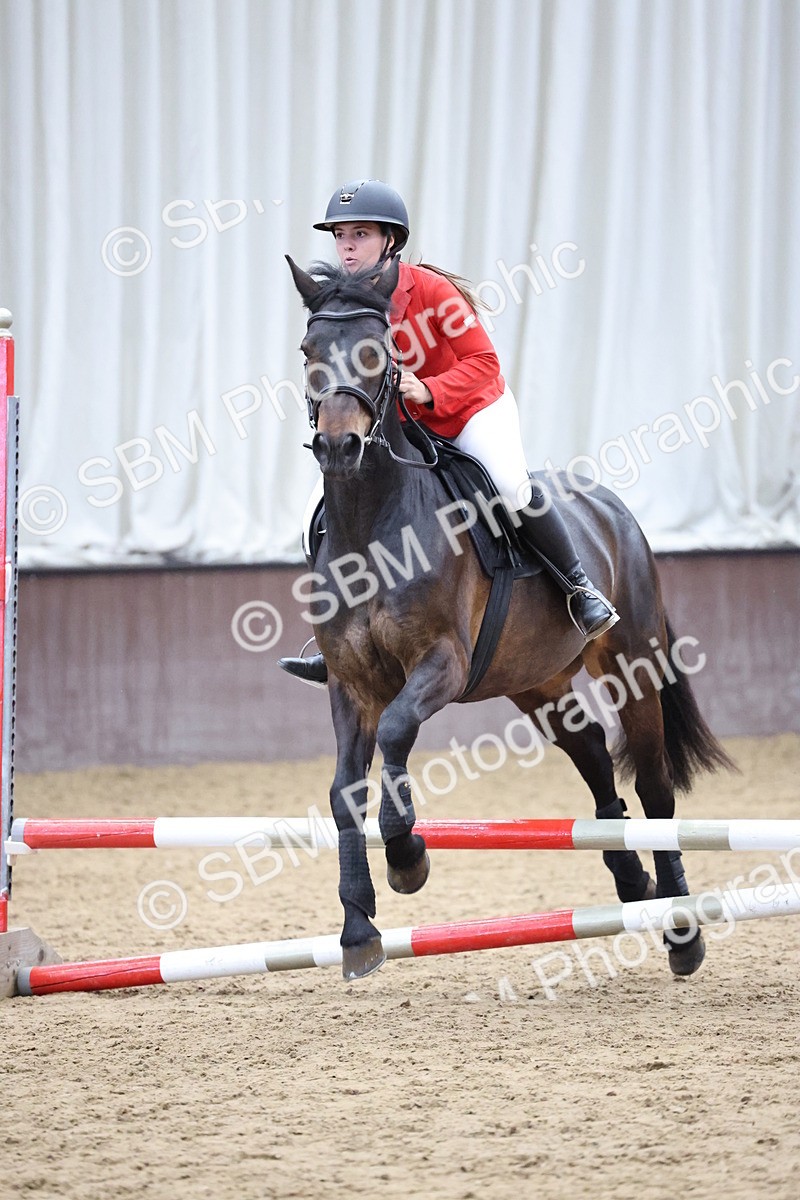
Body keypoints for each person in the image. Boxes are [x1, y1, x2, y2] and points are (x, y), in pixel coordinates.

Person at [279, 179, 618, 686]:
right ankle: (335, 642)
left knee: (510, 485)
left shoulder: (432, 291)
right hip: (401, 429)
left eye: (361, 234)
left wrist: (431, 389)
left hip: (470, 410)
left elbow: (484, 363)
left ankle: (580, 589)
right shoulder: (339, 307)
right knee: (318, 510)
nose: (347, 246)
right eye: (340, 235)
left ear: (391, 241)